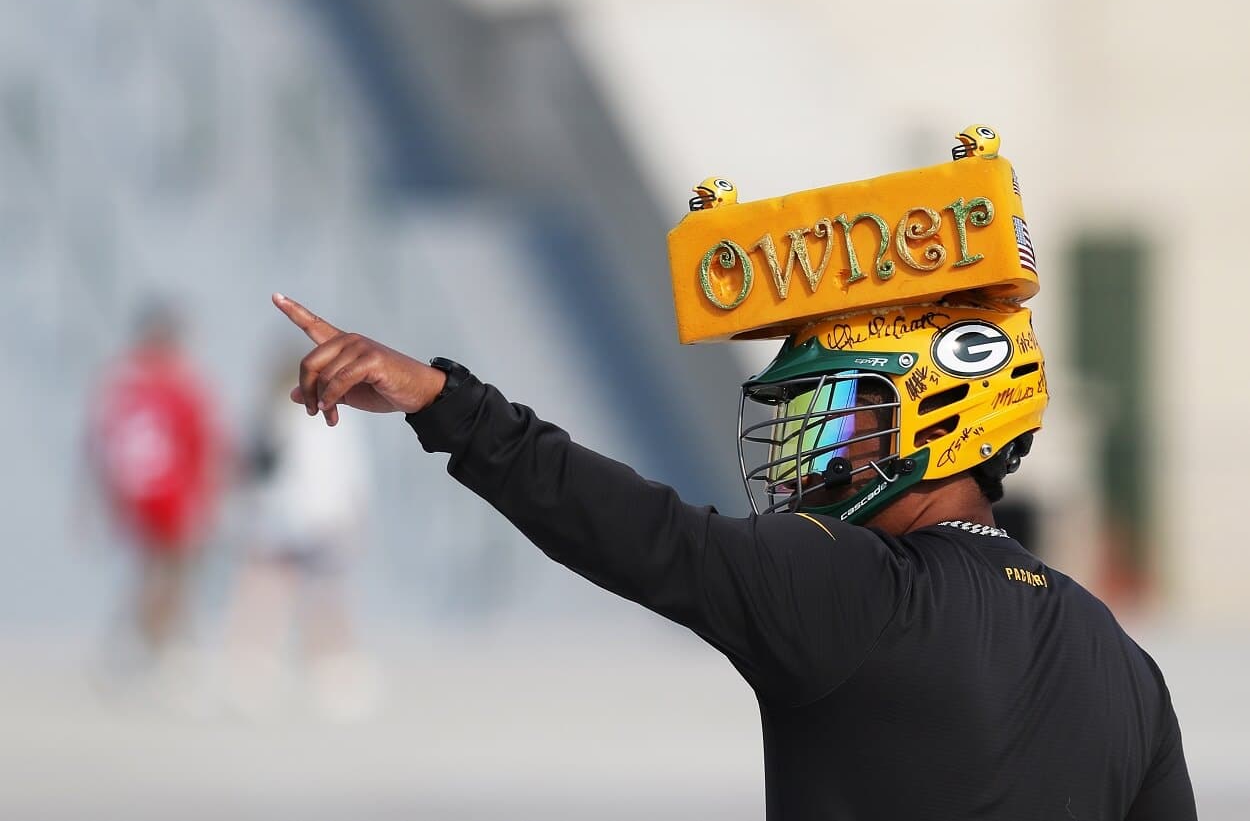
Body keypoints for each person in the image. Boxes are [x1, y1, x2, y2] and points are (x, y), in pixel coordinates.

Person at [271, 281, 1193, 820]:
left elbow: (644, 532)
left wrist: (445, 401)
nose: (810, 451)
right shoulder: (1125, 664)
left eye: (839, 416)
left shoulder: (854, 590)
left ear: (937, 419)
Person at [221, 351, 380, 721]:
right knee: (284, 592)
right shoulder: (280, 412)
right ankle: (259, 667)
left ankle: (320, 667)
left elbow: (348, 468)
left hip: (311, 514)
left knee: (311, 594)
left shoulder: (290, 412)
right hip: (300, 514)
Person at [86, 301, 227, 691]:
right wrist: (207, 496)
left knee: (153, 573)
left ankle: (144, 646)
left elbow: (100, 446)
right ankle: (155, 649)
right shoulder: (177, 385)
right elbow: (201, 443)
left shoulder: (120, 385)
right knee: (171, 573)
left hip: (138, 495)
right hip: (169, 493)